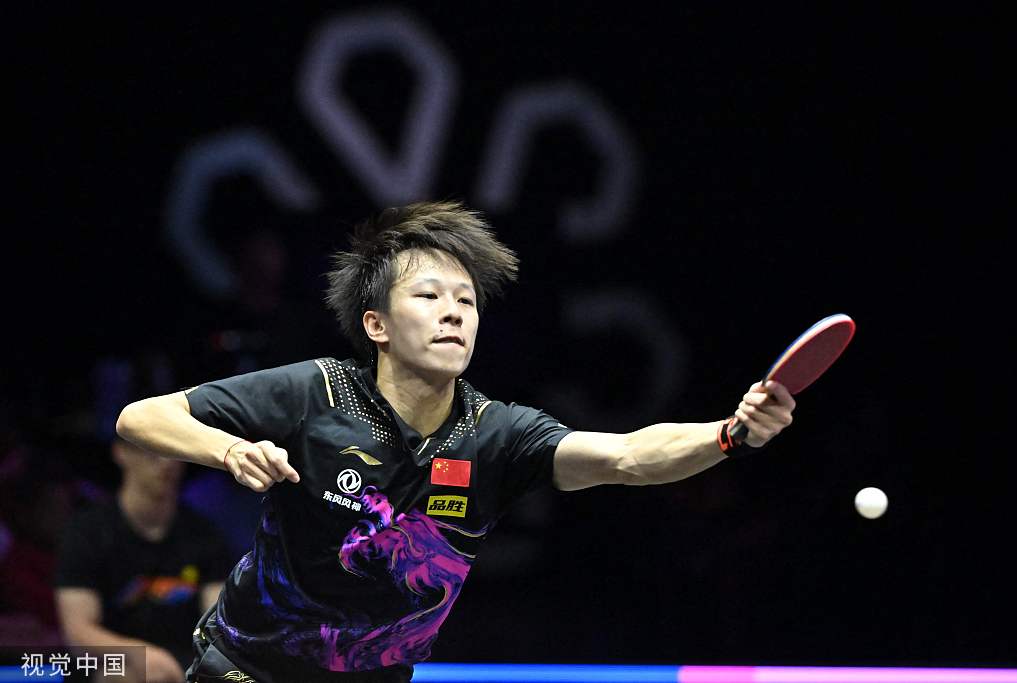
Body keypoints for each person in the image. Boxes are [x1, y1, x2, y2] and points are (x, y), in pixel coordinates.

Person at [116, 201, 795, 683]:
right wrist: (230, 450)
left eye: (466, 301)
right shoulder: (316, 391)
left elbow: (628, 458)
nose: (453, 313)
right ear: (377, 325)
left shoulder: (497, 432)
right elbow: (141, 417)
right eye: (430, 296)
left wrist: (729, 434)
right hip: (247, 669)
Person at [54, 436, 234, 683]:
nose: (167, 463)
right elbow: (78, 632)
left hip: (185, 664)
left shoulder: (205, 535)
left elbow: (217, 624)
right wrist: (141, 656)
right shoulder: (87, 532)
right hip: (113, 662)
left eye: (174, 453)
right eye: (152, 452)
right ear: (121, 452)